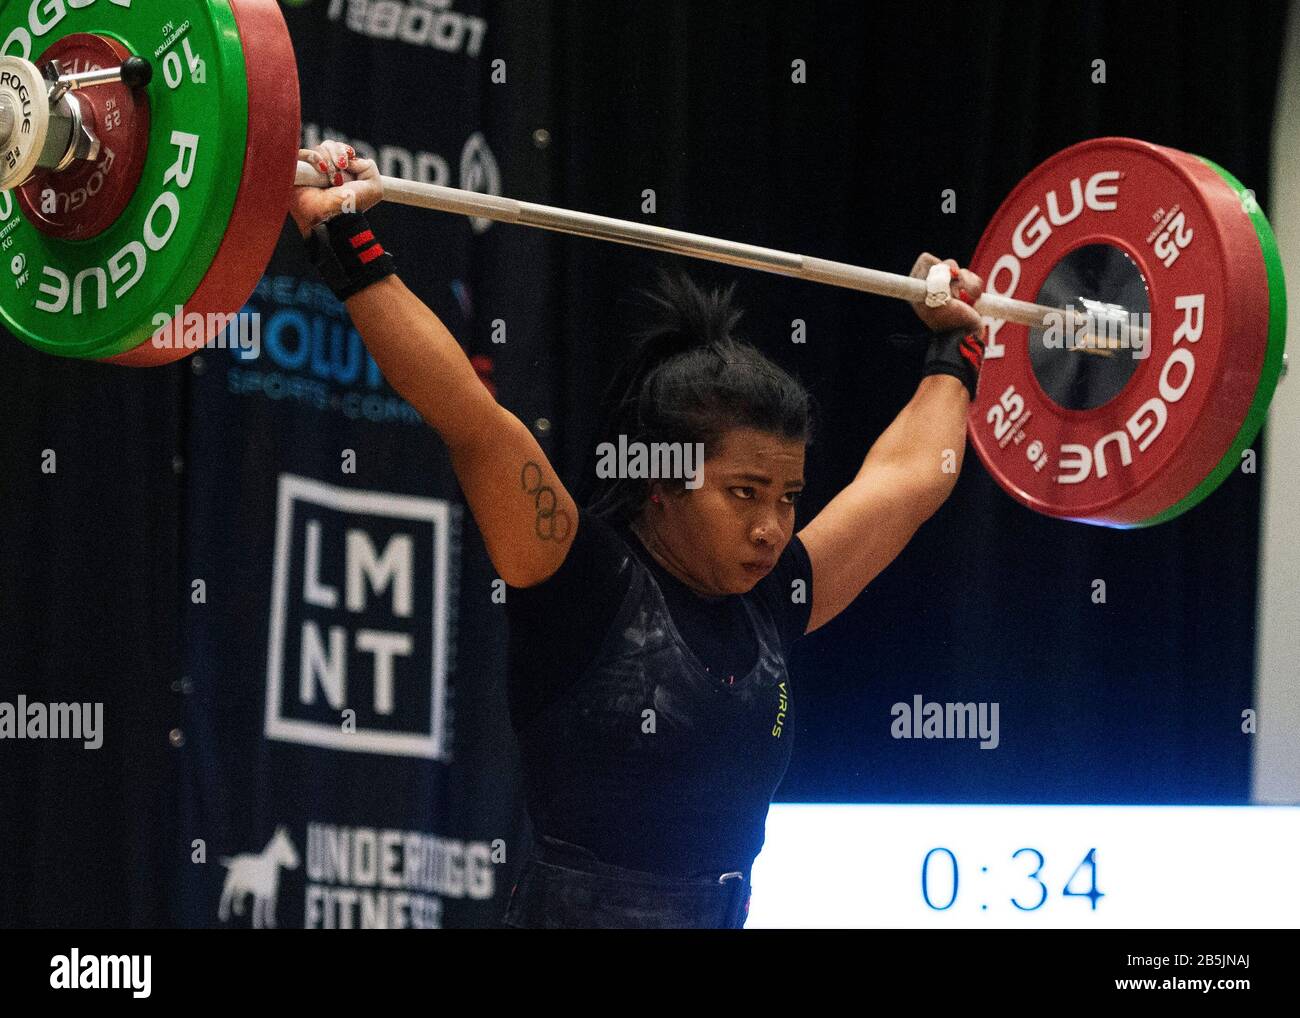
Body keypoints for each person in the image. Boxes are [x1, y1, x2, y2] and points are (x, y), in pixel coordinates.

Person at [289, 140, 987, 928]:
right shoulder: (579, 579)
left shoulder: (778, 593)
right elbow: (470, 418)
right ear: (661, 479)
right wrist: (343, 237)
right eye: (744, 493)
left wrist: (954, 348)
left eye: (789, 497)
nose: (771, 527)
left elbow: (908, 481)